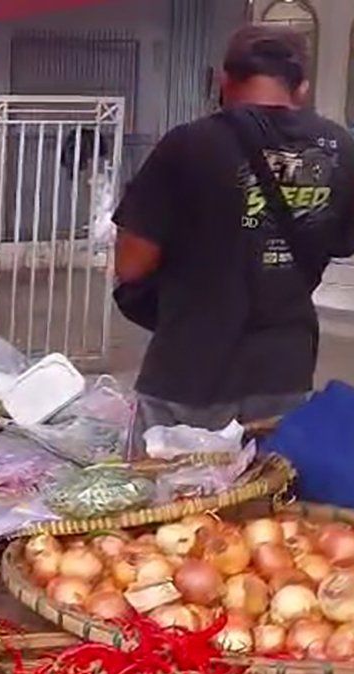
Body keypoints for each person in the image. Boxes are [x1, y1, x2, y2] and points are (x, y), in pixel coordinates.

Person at [113, 24, 354, 448]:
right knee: (266, 504)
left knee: (171, 505)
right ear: (301, 87)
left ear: (225, 81)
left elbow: (131, 265)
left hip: (188, 369)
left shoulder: (189, 145)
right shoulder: (340, 148)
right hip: (284, 368)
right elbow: (341, 242)